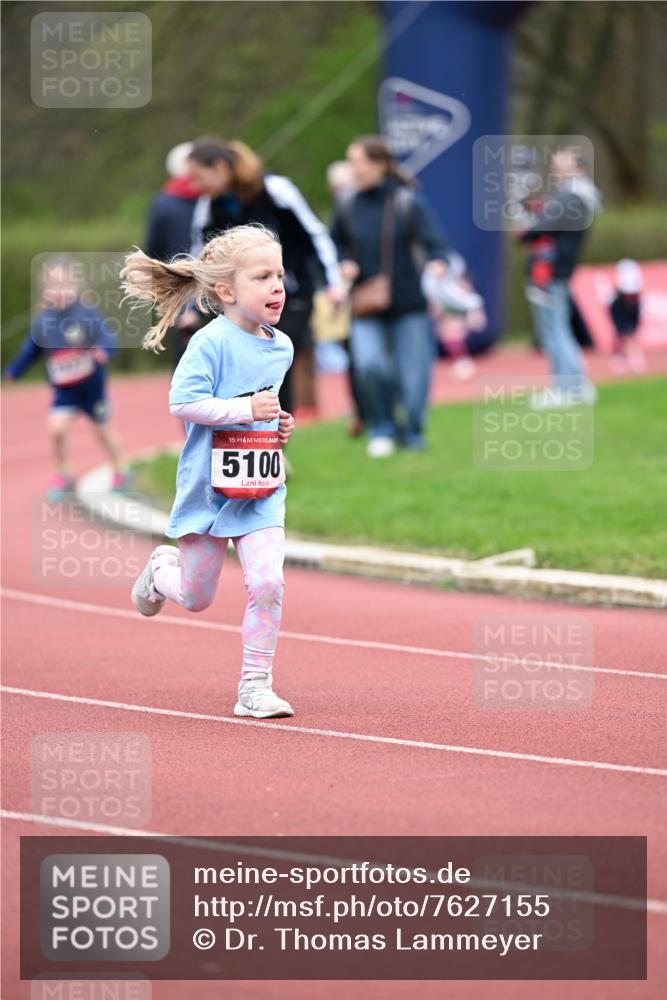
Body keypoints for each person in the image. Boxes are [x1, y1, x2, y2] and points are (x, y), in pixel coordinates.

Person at [120, 224, 296, 719]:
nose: (277, 286)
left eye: (280, 275)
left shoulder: (280, 346)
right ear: (226, 290)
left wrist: (278, 425)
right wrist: (245, 410)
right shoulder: (209, 343)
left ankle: (254, 687)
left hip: (261, 488)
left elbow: (264, 406)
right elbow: (184, 404)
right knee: (197, 597)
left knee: (268, 584)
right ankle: (161, 571)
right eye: (262, 277)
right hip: (208, 489)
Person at [186, 136, 342, 418]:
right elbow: (200, 256)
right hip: (237, 301)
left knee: (275, 359)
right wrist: (190, 305)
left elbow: (315, 233)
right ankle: (246, 440)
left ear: (220, 167)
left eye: (198, 177)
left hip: (291, 294)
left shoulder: (274, 189)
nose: (195, 187)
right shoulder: (209, 205)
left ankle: (275, 443)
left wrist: (334, 283)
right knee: (240, 365)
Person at [330, 136, 450, 457]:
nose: (352, 168)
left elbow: (436, 244)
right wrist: (344, 262)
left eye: (357, 161)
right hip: (365, 304)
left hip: (409, 304)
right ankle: (382, 426)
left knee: (414, 376)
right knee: (368, 365)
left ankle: (412, 432)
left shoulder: (408, 202)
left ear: (379, 164)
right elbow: (335, 244)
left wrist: (439, 264)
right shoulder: (347, 204)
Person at [3, 256, 128, 501]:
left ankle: (120, 468)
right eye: (53, 286)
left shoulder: (87, 314)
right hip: (65, 391)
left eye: (64, 285)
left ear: (75, 286)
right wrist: (13, 371)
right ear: (45, 290)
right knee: (56, 430)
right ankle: (64, 473)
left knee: (102, 430)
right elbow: (30, 350)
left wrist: (104, 350)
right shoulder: (43, 321)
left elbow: (108, 336)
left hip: (91, 389)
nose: (59, 292)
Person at [519, 147, 601, 409]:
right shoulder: (573, 196)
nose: (556, 168)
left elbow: (539, 227)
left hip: (550, 271)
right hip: (556, 270)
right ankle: (576, 384)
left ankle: (566, 388)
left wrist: (526, 228)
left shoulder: (571, 197)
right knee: (558, 328)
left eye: (562, 164)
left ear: (578, 168)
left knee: (554, 330)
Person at [144, 141, 204, 367]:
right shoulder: (212, 196)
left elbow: (154, 247)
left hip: (179, 282)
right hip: (215, 277)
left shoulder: (162, 202)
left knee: (184, 348)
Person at [608, 259, 645, 374]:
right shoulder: (615, 301)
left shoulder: (636, 297)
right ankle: (619, 357)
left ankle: (635, 358)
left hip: (632, 306)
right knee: (621, 333)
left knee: (631, 333)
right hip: (619, 306)